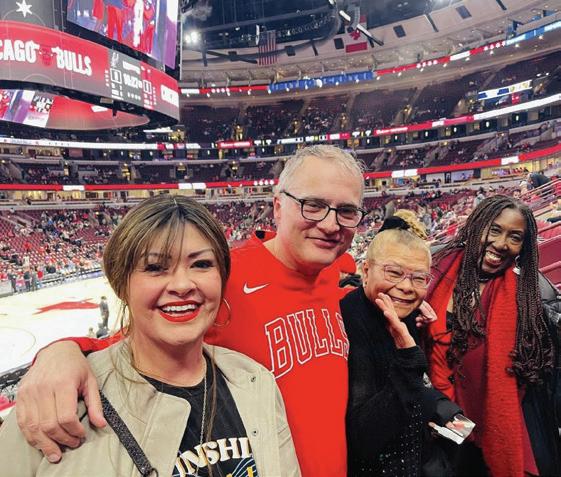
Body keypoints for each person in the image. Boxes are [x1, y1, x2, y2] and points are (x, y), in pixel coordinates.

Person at [13, 145, 367, 476]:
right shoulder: (219, 277)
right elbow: (135, 344)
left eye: (346, 211)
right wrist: (62, 352)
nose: (331, 224)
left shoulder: (332, 271)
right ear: (277, 207)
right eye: (313, 205)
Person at [0, 194, 300, 477]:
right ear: (121, 283)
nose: (182, 285)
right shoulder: (54, 406)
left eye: (201, 264)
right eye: (155, 267)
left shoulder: (257, 382)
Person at [425, 195, 561, 476]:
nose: (501, 244)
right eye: (495, 230)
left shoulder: (529, 299)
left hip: (490, 429)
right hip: (433, 418)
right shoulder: (432, 273)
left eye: (515, 237)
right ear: (476, 226)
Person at [343, 227, 462, 477]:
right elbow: (364, 439)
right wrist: (409, 360)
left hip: (422, 457)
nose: (407, 287)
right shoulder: (346, 321)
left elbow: (418, 390)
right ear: (366, 271)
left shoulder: (409, 315)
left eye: (419, 278)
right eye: (394, 273)